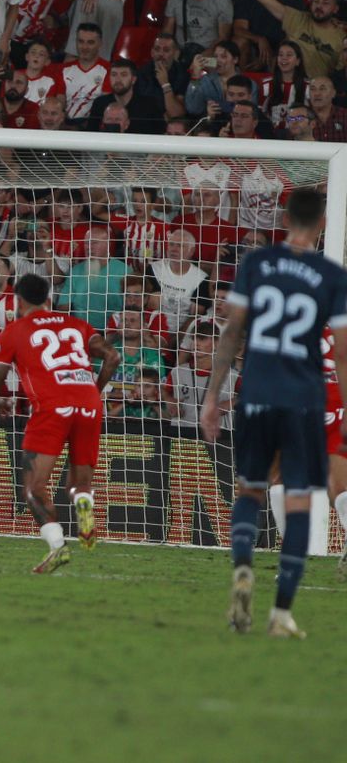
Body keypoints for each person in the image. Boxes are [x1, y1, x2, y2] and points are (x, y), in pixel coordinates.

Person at [199, 188, 347, 639]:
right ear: (323, 222)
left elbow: (230, 335)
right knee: (300, 498)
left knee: (250, 490)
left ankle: (243, 568)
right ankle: (281, 613)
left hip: (257, 392)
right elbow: (342, 353)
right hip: (305, 399)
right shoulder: (330, 275)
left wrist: (210, 397)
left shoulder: (256, 264)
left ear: (285, 218)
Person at [0, 273, 121, 574]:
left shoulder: (15, 331)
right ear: (48, 299)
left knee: (34, 488)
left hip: (51, 408)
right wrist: (93, 392)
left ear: (17, 301)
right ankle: (84, 506)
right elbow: (112, 356)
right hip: (89, 405)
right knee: (79, 483)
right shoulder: (77, 325)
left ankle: (58, 547)